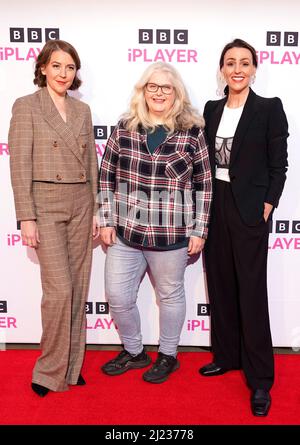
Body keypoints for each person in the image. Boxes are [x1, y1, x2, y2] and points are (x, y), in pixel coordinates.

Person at [98, 61, 212, 383]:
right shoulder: (125, 127)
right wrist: (105, 218)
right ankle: (134, 352)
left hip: (172, 236)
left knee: (171, 297)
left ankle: (168, 355)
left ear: (176, 93)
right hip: (126, 234)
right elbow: (105, 175)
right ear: (143, 91)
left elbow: (204, 184)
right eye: (153, 86)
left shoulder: (192, 132)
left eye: (166, 87)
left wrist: (199, 229)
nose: (159, 93)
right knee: (118, 296)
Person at [199, 38, 289, 416]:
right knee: (219, 281)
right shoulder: (211, 108)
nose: (237, 69)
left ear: (254, 69)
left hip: (250, 209)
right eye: (230, 62)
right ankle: (227, 355)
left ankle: (260, 379)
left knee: (251, 292)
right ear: (222, 69)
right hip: (214, 205)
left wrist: (269, 204)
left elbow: (278, 164)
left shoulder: (269, 108)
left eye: (245, 63)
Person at [8, 39, 99, 397]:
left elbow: (91, 164)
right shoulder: (26, 106)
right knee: (58, 292)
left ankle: (72, 368)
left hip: (81, 204)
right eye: (57, 65)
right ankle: (48, 372)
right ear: (43, 67)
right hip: (45, 205)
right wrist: (25, 217)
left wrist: (96, 209)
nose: (64, 73)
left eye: (70, 67)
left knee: (77, 289)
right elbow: (19, 166)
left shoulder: (84, 111)